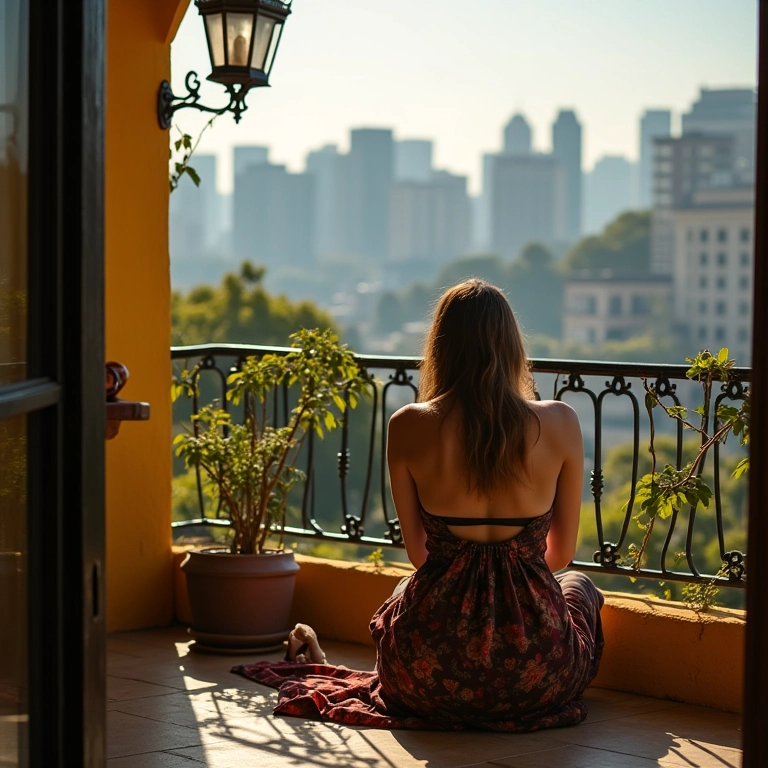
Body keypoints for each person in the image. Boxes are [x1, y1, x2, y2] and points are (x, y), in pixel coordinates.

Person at [233, 279, 604, 732]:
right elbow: (560, 557)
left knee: (403, 591)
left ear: (441, 348)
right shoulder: (560, 421)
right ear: (511, 346)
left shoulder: (408, 425)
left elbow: (419, 556)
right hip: (536, 678)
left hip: (424, 677)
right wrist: (509, 580)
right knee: (579, 583)